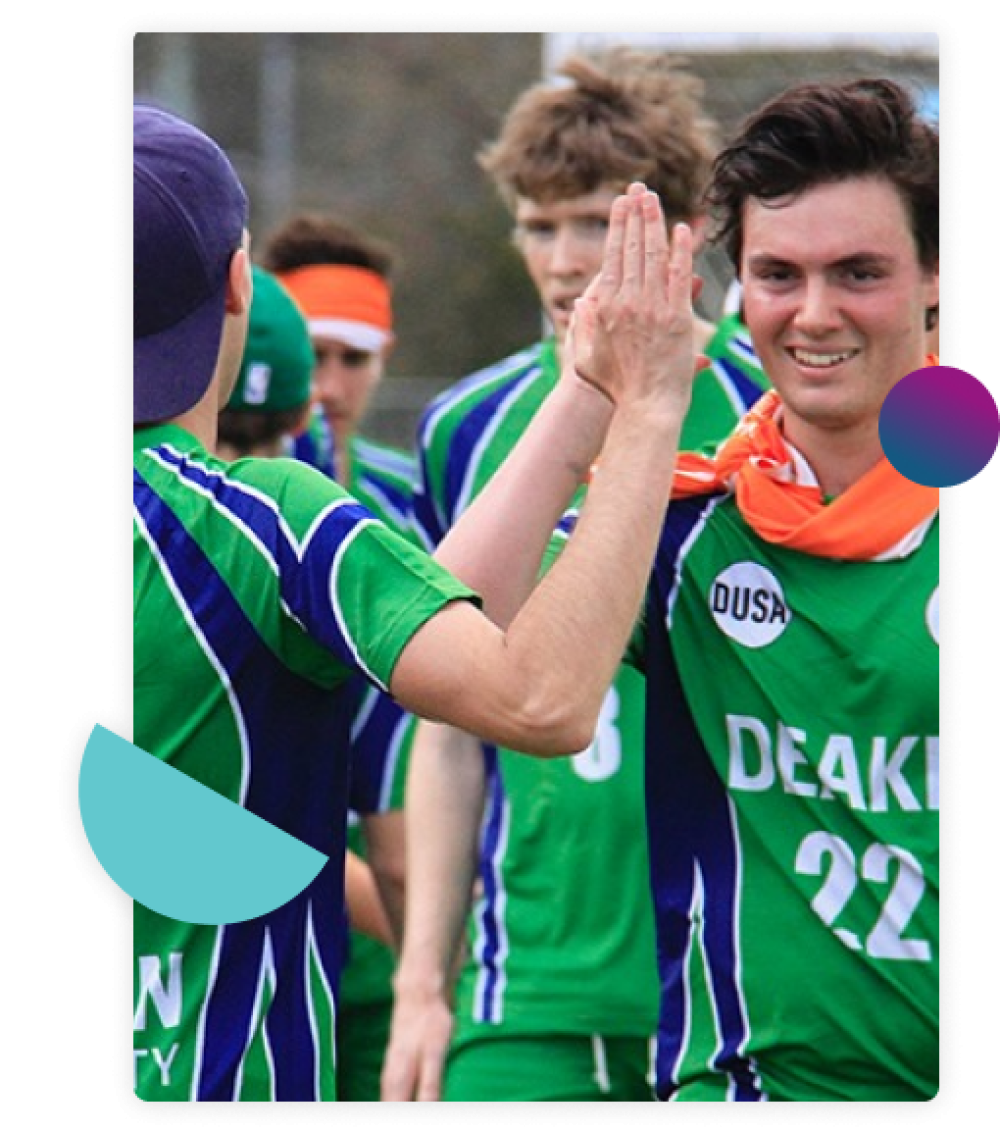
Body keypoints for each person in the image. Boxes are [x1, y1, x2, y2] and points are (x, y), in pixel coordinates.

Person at [130, 102, 697, 1103]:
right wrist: (647, 408)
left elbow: (451, 612)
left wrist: (584, 395)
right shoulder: (262, 520)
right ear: (237, 281)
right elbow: (538, 700)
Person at [383, 48, 768, 1105]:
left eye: (599, 222)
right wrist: (423, 982)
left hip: (722, 987)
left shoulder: (763, 409)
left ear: (678, 234)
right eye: (538, 223)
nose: (563, 260)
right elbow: (448, 726)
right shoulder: (464, 426)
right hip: (523, 994)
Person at [563, 77, 938, 1102]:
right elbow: (460, 646)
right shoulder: (684, 520)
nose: (814, 314)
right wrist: (597, 398)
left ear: (936, 278)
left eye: (858, 271)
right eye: (778, 274)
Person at [255, 215, 422, 1101]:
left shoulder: (413, 498)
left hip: (406, 934)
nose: (329, 384)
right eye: (310, 353)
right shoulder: (236, 510)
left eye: (353, 357)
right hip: (292, 923)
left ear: (386, 355)